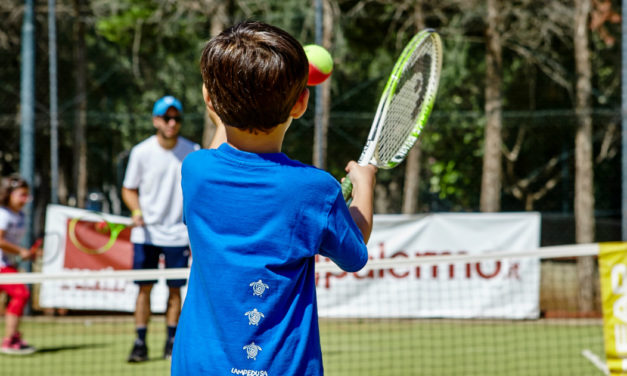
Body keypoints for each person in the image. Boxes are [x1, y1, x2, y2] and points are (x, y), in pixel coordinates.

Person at [171, 21, 376, 375]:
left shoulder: (195, 170)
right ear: (301, 104)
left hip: (198, 367)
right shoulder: (316, 189)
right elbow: (354, 252)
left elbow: (224, 144)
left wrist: (226, 92)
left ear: (209, 100)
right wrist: (365, 185)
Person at [121, 95, 200, 362]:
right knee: (144, 289)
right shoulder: (141, 152)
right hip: (147, 234)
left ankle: (171, 342)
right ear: (156, 121)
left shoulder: (193, 150)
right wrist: (136, 211)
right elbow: (128, 189)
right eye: (166, 118)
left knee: (175, 290)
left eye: (176, 118)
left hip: (178, 235)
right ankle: (140, 342)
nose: (172, 123)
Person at [0, 175, 37, 355]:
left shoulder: (20, 215)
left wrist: (26, 253)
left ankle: (12, 337)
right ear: (9, 194)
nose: (25, 199)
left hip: (7, 264)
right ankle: (9, 340)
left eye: (27, 195)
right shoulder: (3, 214)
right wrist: (21, 251)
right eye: (22, 195)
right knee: (21, 293)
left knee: (20, 294)